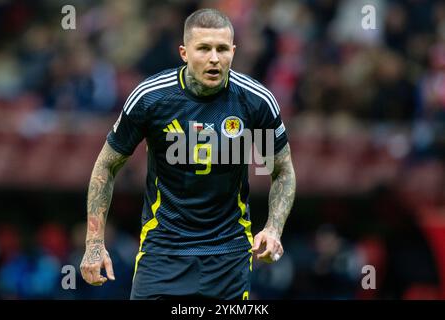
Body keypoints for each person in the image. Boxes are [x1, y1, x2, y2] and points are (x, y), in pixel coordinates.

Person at [80, 8, 296, 300]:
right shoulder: (151, 97)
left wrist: (273, 229)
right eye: (204, 49)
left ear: (233, 51)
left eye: (222, 49)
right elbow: (106, 166)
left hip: (228, 253)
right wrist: (94, 242)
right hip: (162, 251)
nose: (214, 59)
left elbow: (281, 170)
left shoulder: (256, 101)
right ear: (184, 52)